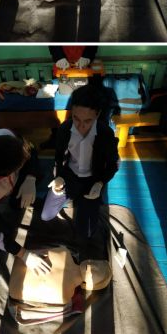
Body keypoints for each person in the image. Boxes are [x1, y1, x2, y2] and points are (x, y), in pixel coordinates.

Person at [41, 84, 119, 239]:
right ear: (72, 112)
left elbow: (113, 164)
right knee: (46, 215)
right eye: (76, 118)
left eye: (87, 121)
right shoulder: (65, 129)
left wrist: (100, 183)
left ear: (98, 114)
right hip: (69, 176)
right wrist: (59, 176)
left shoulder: (105, 133)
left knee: (87, 232)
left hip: (92, 181)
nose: (81, 127)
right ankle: (72, 197)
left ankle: (82, 201)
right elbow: (59, 158)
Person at [0, 129, 51, 276]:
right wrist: (25, 255)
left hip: (7, 185)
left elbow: (30, 150)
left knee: (17, 203)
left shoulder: (4, 137)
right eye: (20, 164)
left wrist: (31, 177)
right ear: (5, 176)